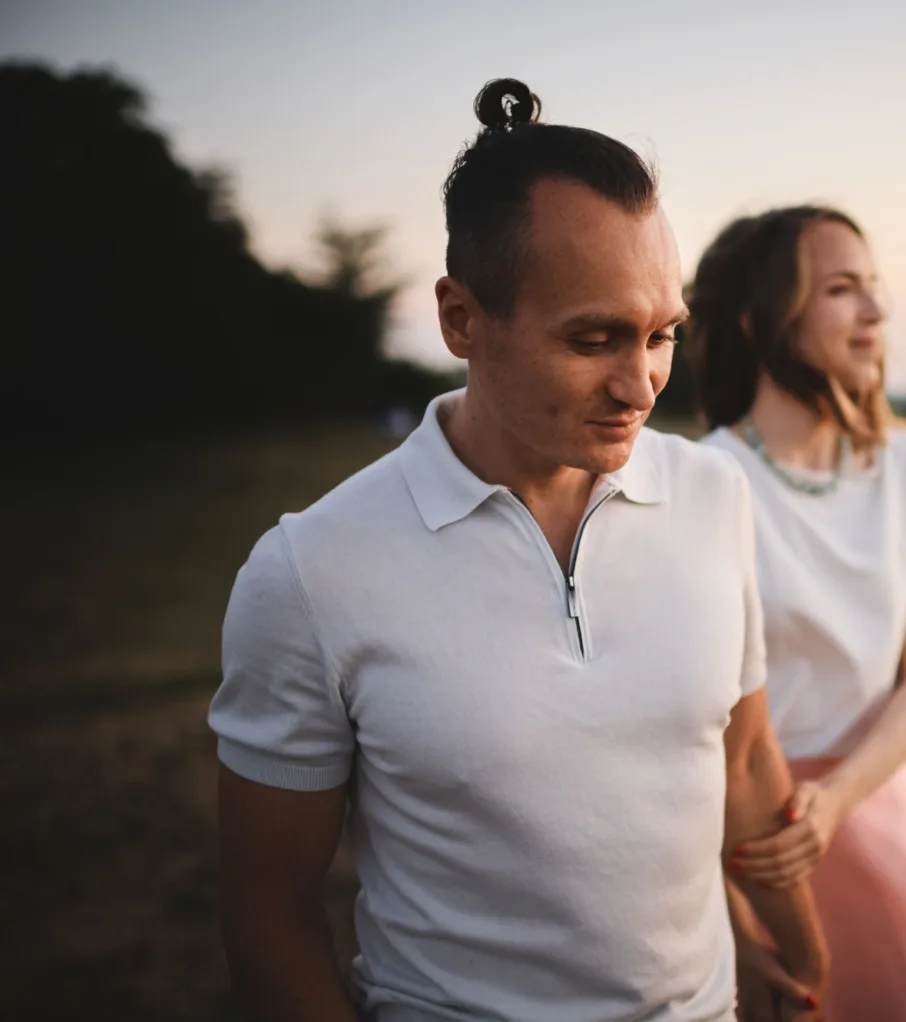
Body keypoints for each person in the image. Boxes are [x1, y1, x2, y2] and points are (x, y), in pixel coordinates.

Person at [208, 80, 828, 1022]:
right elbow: (270, 912)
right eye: (594, 338)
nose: (642, 383)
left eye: (663, 335)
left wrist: (806, 952)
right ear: (461, 318)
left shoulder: (715, 495)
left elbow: (741, 762)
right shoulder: (308, 575)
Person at [689, 205, 906, 1021]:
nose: (876, 312)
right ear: (761, 324)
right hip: (743, 843)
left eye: (874, 286)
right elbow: (677, 735)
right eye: (841, 289)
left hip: (879, 811)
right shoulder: (702, 485)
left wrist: (838, 799)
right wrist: (730, 921)